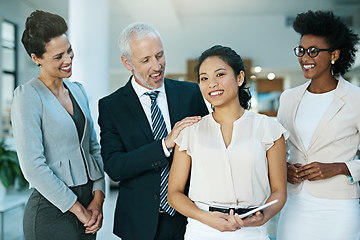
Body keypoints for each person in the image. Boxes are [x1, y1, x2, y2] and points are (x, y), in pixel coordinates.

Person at [98, 22, 209, 240]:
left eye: (160, 55)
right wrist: (164, 145)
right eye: (145, 60)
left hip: (191, 218)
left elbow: (209, 147)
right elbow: (115, 167)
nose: (157, 66)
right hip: (139, 225)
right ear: (127, 62)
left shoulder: (190, 93)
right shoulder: (112, 106)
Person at [167, 45, 288, 240]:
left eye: (220, 75)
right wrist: (205, 218)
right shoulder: (190, 131)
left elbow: (280, 191)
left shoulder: (269, 129)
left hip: (251, 231)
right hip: (202, 230)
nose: (211, 84)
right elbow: (174, 194)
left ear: (240, 78)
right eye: (204, 78)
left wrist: (262, 218)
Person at [11, 10, 105, 240]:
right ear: (36, 58)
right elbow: (33, 167)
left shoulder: (78, 91)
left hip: (88, 206)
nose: (68, 60)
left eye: (69, 51)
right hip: (50, 210)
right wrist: (78, 209)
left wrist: (98, 197)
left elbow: (93, 148)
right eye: (58, 56)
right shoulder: (28, 96)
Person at [276, 10, 360, 240]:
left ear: (334, 54)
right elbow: (276, 147)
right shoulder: (289, 98)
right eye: (301, 50)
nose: (305, 57)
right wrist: (282, 167)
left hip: (339, 206)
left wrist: (339, 168)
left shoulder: (356, 99)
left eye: (313, 51)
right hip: (295, 203)